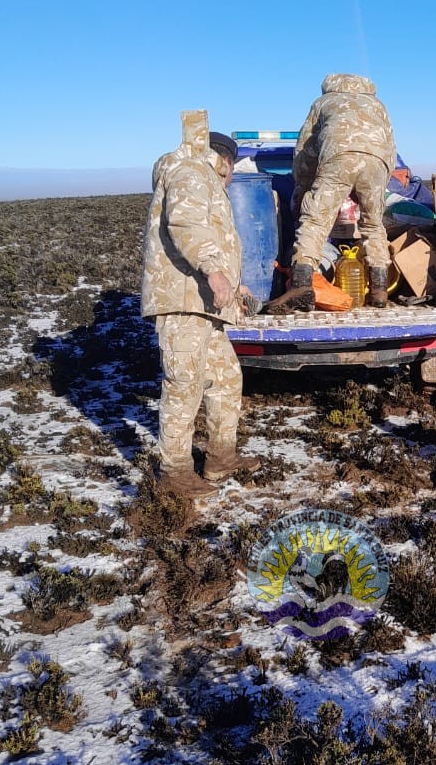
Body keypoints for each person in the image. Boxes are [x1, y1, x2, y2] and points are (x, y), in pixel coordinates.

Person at [141, 111, 256, 497]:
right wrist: (212, 270)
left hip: (204, 303)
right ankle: (174, 473)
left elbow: (214, 238)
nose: (231, 178)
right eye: (232, 170)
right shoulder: (191, 171)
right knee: (184, 385)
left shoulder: (203, 176)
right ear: (224, 160)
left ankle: (220, 457)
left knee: (226, 378)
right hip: (182, 300)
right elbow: (185, 223)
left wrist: (234, 286)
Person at [279, 73, 396, 310]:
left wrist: (304, 186)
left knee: (315, 221)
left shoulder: (323, 102)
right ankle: (379, 290)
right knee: (373, 225)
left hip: (337, 159)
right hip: (377, 164)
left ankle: (301, 285)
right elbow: (390, 147)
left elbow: (306, 150)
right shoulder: (377, 104)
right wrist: (378, 181)